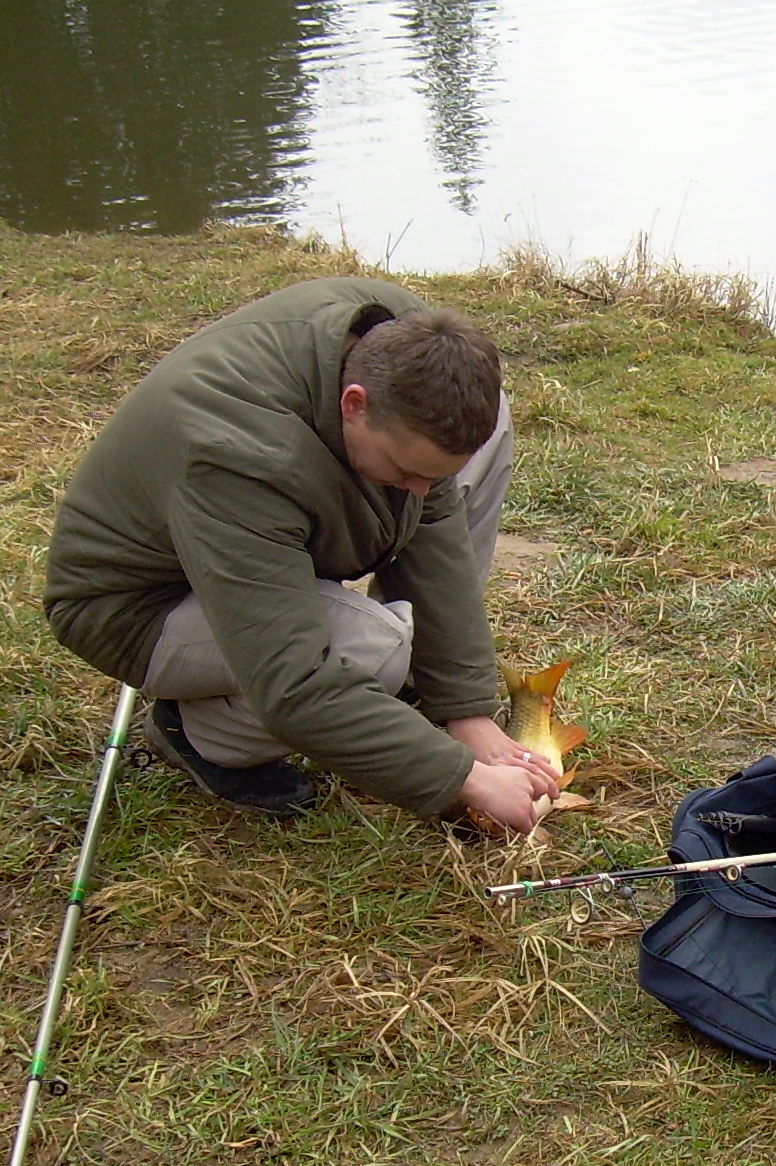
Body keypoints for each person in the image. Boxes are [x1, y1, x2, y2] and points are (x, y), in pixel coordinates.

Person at [42, 277, 557, 831]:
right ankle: (200, 734)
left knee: (476, 435)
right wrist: (464, 780)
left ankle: (405, 689)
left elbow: (432, 518)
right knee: (373, 649)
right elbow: (294, 681)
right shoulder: (236, 456)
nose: (421, 492)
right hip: (140, 608)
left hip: (251, 538)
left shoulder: (404, 341)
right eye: (406, 470)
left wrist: (466, 712)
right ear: (354, 403)